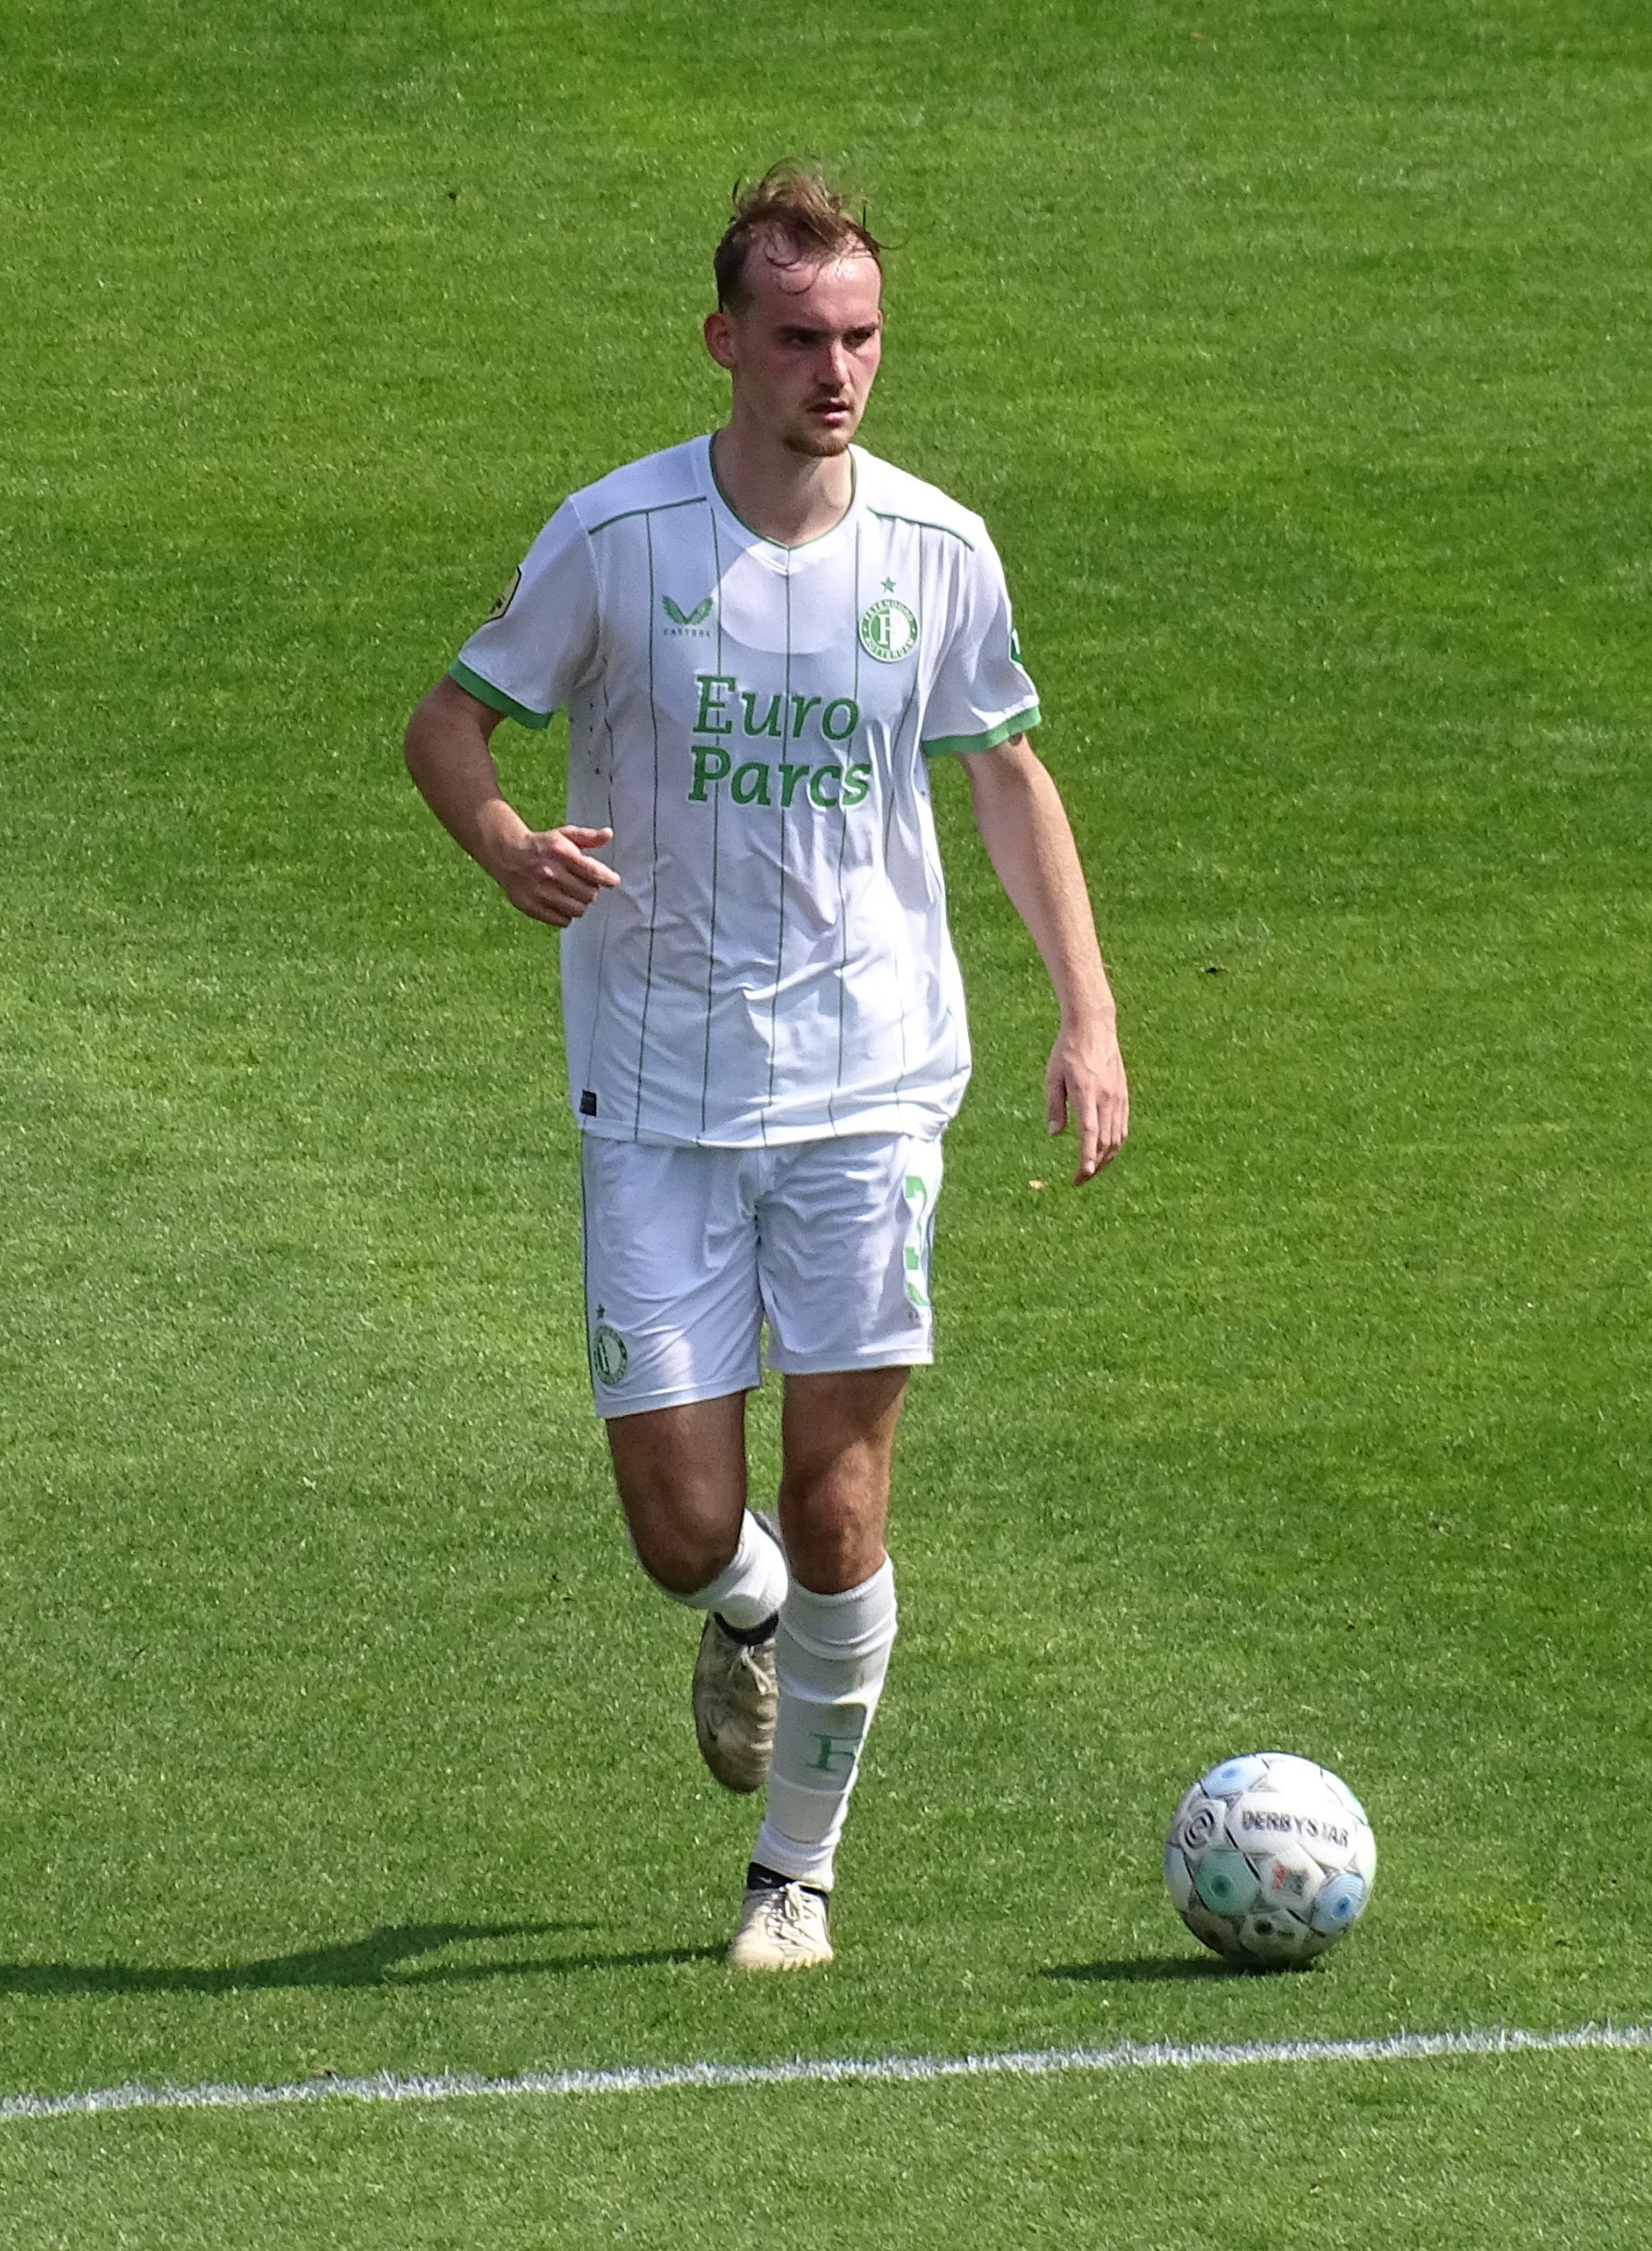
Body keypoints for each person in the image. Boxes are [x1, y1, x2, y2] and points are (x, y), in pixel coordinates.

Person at [402, 161, 1129, 1971]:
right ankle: (738, 1622)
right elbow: (449, 720)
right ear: (726, 341)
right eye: (801, 336)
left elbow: (1006, 774)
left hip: (871, 1078)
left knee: (838, 1498)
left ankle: (792, 1873)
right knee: (681, 1525)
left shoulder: (939, 551)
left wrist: (1088, 1014)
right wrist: (504, 844)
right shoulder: (617, 542)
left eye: (864, 336)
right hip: (653, 1087)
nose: (838, 371)